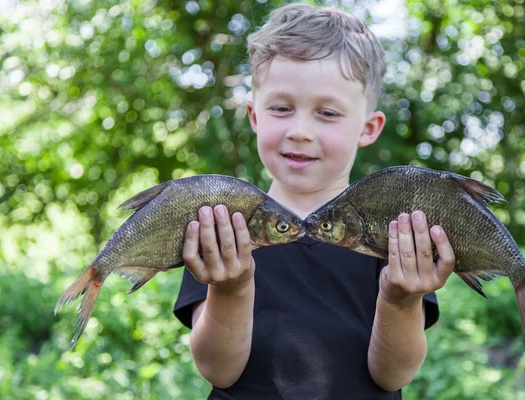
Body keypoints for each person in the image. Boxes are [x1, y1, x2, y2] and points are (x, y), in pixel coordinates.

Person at [174, 3, 456, 399]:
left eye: (326, 113)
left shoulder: (394, 230)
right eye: (282, 108)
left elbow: (393, 376)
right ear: (255, 116)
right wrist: (232, 288)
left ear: (368, 128)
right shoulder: (222, 225)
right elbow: (217, 370)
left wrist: (401, 300)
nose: (300, 131)